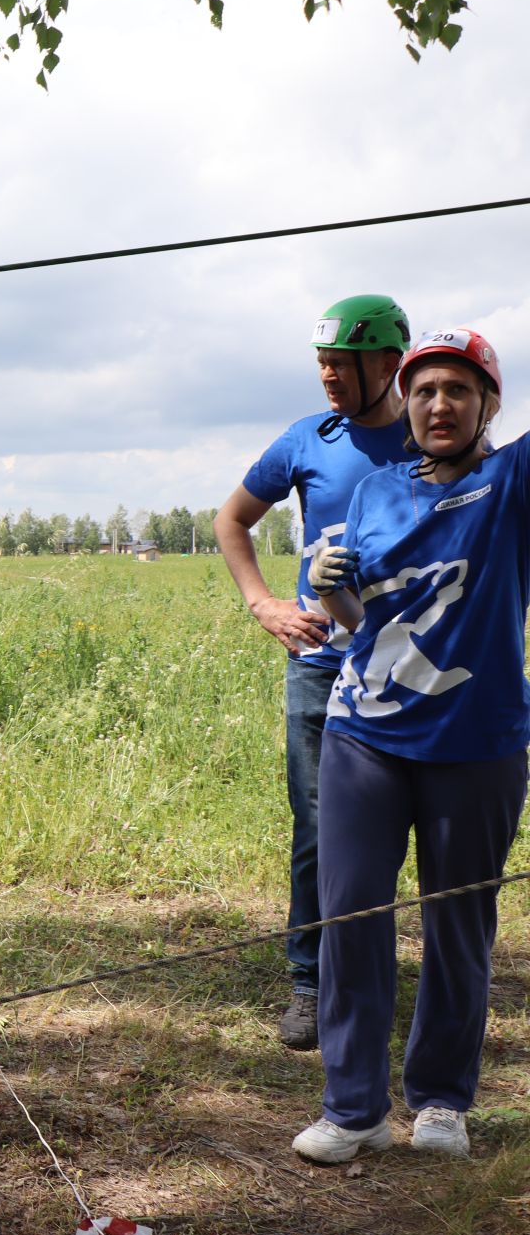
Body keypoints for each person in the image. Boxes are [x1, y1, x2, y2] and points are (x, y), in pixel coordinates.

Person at [293, 328, 523, 1164]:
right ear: (406, 397)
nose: (438, 404)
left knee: (458, 923)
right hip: (367, 734)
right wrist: (334, 592)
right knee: (350, 913)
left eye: (459, 390)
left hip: (478, 740)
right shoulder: (375, 490)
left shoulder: (512, 480)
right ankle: (352, 1108)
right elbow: (369, 628)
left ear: (487, 404)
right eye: (424, 389)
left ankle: (440, 1103)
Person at [213, 295, 414, 1050]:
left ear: (388, 362)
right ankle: (310, 977)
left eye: (342, 362)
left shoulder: (429, 432)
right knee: (319, 825)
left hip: (406, 667)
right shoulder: (307, 440)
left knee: (401, 825)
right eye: (321, 362)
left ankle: (375, 969)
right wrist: (263, 603)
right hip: (320, 666)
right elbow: (231, 518)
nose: (327, 376)